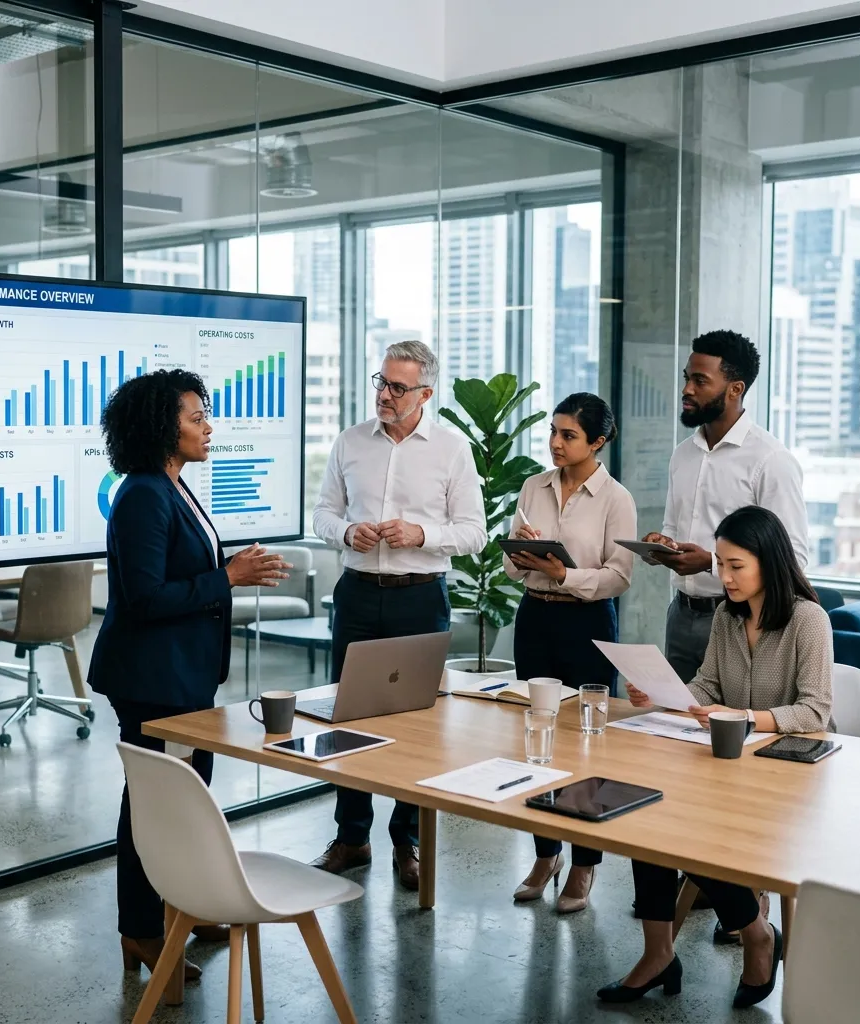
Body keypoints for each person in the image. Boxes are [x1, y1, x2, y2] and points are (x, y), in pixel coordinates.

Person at [88, 369, 291, 980]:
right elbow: (147, 597)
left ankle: (182, 906)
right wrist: (226, 579)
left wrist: (228, 568)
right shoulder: (145, 493)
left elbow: (181, 570)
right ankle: (142, 930)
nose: (209, 427)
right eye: (196, 417)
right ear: (161, 427)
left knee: (186, 801)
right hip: (153, 679)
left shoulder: (173, 485)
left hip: (183, 674)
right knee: (155, 809)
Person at [600, 505, 833, 1009]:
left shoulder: (807, 619)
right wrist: (666, 693)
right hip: (730, 759)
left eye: (735, 566)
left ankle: (755, 933)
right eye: (721, 564)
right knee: (649, 813)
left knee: (689, 831)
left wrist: (745, 715)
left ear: (768, 563)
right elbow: (707, 684)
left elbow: (815, 710)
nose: (723, 577)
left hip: (790, 770)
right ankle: (659, 952)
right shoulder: (728, 618)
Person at [311, 340, 486, 890]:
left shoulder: (452, 450)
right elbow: (323, 512)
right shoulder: (350, 442)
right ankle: (351, 837)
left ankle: (406, 840)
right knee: (350, 715)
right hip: (358, 593)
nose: (384, 395)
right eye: (380, 383)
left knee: (418, 723)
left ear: (425, 393)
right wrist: (344, 531)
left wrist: (421, 535)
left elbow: (474, 534)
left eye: (398, 387)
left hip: (419, 596)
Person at [504, 393, 636, 913]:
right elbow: (515, 568)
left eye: (569, 435)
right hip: (534, 617)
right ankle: (545, 854)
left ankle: (584, 865)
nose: (556, 443)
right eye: (553, 432)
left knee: (587, 746)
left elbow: (619, 576)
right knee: (537, 736)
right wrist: (522, 554)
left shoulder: (615, 499)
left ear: (597, 441)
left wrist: (565, 573)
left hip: (587, 623)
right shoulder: (533, 487)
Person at [642, 330, 809, 685]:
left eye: (700, 381)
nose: (687, 389)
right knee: (674, 724)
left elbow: (792, 560)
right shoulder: (683, 454)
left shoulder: (771, 460)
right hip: (681, 613)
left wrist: (710, 563)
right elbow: (674, 528)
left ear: (735, 389)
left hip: (740, 618)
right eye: (687, 378)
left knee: (729, 730)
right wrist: (663, 546)